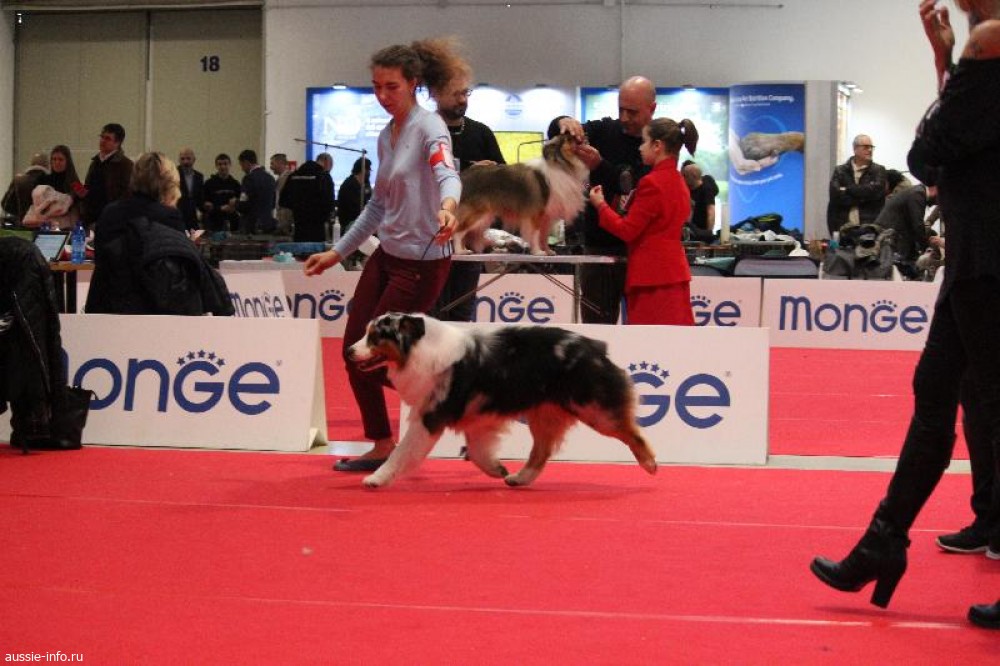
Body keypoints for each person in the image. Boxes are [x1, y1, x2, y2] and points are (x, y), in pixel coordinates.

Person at [810, 0, 1000, 629]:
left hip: (987, 261)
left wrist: (951, 63)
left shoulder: (991, 44)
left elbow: (925, 154)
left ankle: (888, 540)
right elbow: (944, 149)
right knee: (935, 394)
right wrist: (945, 60)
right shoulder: (981, 53)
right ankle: (883, 541)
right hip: (972, 261)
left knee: (978, 408)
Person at [303, 37, 464, 472]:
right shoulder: (386, 136)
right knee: (353, 353)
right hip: (387, 255)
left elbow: (447, 173)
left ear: (413, 83)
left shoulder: (430, 128)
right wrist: (337, 252)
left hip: (422, 262)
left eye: (391, 86)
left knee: (373, 357)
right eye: (376, 87)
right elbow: (377, 206)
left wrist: (449, 206)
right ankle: (382, 443)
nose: (382, 96)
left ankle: (453, 400)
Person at [549, 75, 657, 324]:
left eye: (632, 112)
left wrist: (600, 165)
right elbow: (556, 133)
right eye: (621, 109)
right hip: (599, 246)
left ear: (651, 109)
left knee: (646, 332)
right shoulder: (604, 130)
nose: (624, 117)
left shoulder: (658, 143)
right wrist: (563, 122)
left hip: (641, 250)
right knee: (597, 327)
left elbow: (636, 186)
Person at [85, 152, 232, 316]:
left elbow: (101, 257)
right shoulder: (169, 216)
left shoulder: (109, 213)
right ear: (169, 183)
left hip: (107, 301)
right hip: (151, 305)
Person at [588, 118, 696, 326]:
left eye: (644, 142)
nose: (640, 148)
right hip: (674, 273)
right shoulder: (678, 180)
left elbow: (627, 230)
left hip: (651, 277)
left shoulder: (651, 183)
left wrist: (601, 205)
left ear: (657, 146)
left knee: (647, 340)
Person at [430, 72, 506, 322]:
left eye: (466, 93)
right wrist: (469, 173)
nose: (463, 99)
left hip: (471, 238)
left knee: (462, 312)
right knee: (431, 311)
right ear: (436, 94)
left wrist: (490, 174)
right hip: (431, 237)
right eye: (456, 94)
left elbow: (503, 177)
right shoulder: (424, 131)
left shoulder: (481, 132)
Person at [826, 133, 888, 236]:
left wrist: (848, 190)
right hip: (844, 227)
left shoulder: (879, 170)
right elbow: (835, 196)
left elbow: (876, 193)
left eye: (871, 147)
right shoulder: (840, 171)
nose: (870, 150)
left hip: (869, 228)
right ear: (855, 149)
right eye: (866, 147)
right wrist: (864, 196)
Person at [873, 181, 937, 275]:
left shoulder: (915, 192)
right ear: (935, 189)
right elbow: (917, 225)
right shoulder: (918, 194)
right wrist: (927, 247)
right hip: (891, 236)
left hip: (890, 234)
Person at [82, 123, 134, 230]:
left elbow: (127, 195)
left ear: (117, 143)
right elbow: (88, 187)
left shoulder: (126, 165)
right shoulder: (95, 162)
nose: (102, 141)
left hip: (112, 220)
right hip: (91, 218)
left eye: (108, 138)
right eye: (102, 137)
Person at [280, 152, 334, 243]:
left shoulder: (293, 176)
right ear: (327, 163)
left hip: (298, 226)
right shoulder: (324, 177)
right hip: (317, 228)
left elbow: (283, 201)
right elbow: (330, 204)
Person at [37, 145, 84, 229]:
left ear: (67, 162)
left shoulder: (75, 182)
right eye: (54, 159)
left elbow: (84, 201)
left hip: (67, 226)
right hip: (47, 224)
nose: (57, 162)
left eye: (60, 159)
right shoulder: (43, 180)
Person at [236, 149, 277, 235]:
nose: (242, 169)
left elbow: (244, 204)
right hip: (267, 224)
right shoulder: (270, 178)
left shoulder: (248, 179)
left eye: (242, 165)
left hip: (251, 225)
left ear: (246, 162)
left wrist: (236, 203)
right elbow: (273, 203)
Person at [2, 153, 49, 223]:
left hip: (23, 224)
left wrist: (21, 213)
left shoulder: (19, 180)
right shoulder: (51, 181)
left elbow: (5, 205)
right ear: (47, 166)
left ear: (31, 164)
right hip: (44, 225)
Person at [201, 153, 241, 233]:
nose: (223, 167)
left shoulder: (235, 184)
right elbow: (204, 203)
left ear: (230, 165)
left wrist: (235, 204)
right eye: (220, 164)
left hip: (232, 221)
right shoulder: (209, 184)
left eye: (225, 164)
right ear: (216, 166)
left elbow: (241, 202)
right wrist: (220, 208)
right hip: (213, 221)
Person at [681, 160, 718, 243]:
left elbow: (711, 211)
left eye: (685, 176)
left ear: (693, 176)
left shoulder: (706, 188)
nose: (683, 178)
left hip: (701, 230)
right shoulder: (686, 190)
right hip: (691, 230)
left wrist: (709, 233)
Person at [336, 156, 372, 235]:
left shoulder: (365, 184)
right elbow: (355, 210)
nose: (370, 173)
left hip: (359, 221)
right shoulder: (349, 185)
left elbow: (369, 197)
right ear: (363, 170)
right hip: (349, 224)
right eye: (369, 170)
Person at [176, 147, 204, 232]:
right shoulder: (174, 175)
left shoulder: (199, 176)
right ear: (179, 160)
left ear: (194, 160)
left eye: (188, 158)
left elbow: (200, 197)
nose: (185, 162)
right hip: (178, 214)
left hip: (193, 216)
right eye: (182, 159)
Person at [270, 152, 294, 236]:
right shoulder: (279, 179)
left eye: (272, 164)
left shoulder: (289, 178)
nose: (271, 167)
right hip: (281, 219)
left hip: (286, 221)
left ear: (280, 163)